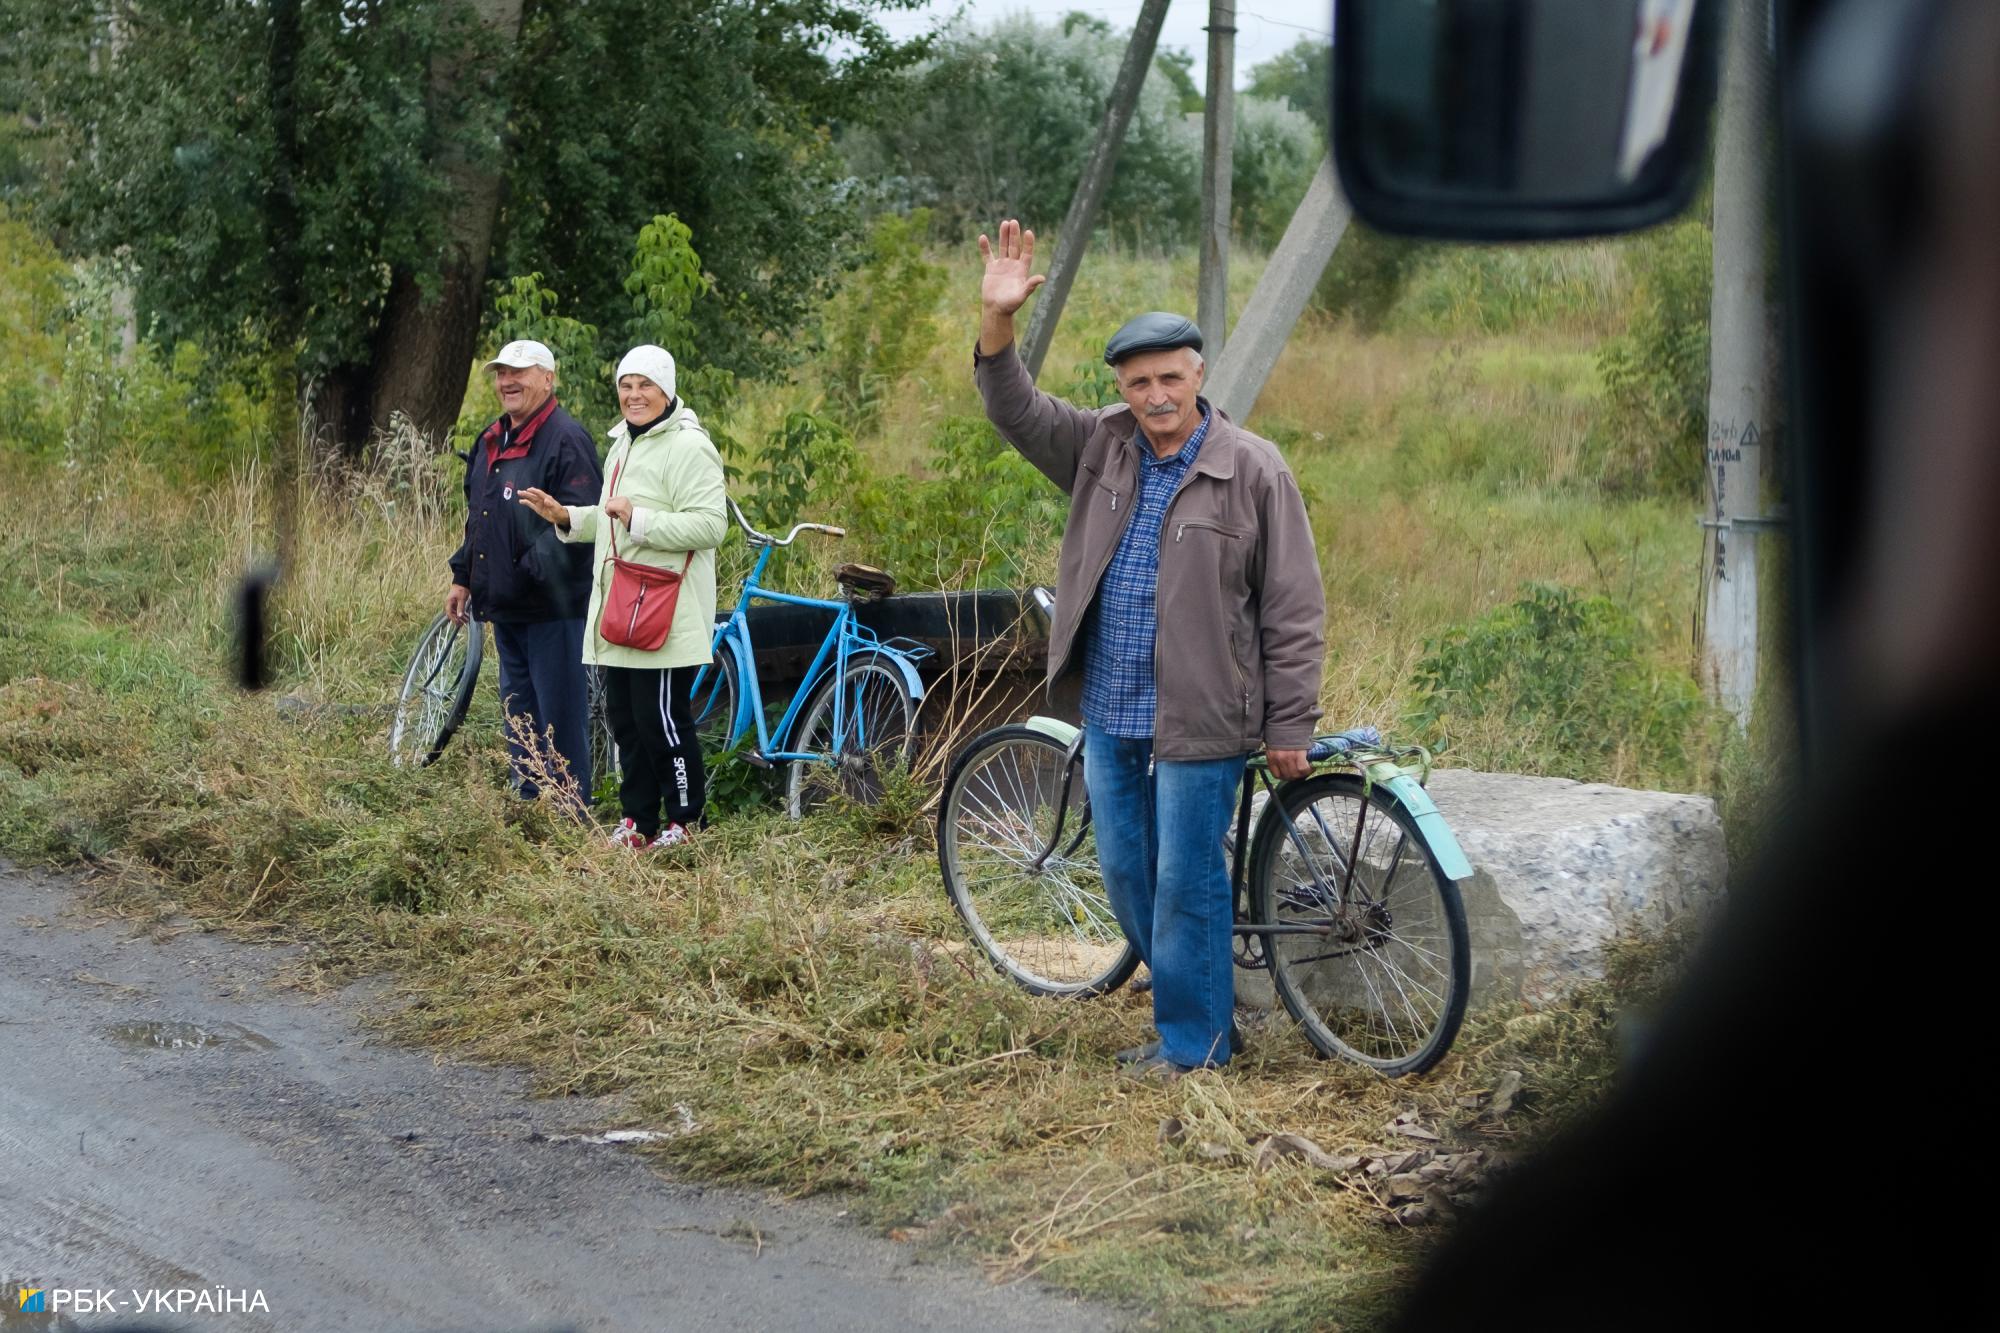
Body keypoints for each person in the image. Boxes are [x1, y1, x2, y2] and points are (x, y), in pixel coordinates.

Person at [973, 220, 1328, 1078]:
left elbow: (1292, 604)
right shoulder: (1102, 446)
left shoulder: (1254, 469)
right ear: (1123, 389)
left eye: (1172, 377)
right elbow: (1015, 410)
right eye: (1140, 382)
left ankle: (1196, 1046)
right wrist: (998, 322)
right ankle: (1200, 1007)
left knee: (1187, 884)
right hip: (1112, 705)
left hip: (1204, 717)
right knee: (1130, 871)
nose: (1157, 394)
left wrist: (1292, 720)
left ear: (1200, 375)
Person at [518, 345, 727, 849]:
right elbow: (611, 518)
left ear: (667, 389)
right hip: (621, 610)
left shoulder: (689, 446)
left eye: (645, 386)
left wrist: (641, 519)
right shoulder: (622, 444)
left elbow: (710, 525)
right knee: (626, 723)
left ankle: (685, 822)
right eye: (626, 386)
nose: (634, 396)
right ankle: (638, 822)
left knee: (662, 722)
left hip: (664, 611)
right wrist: (566, 516)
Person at [446, 339, 603, 808]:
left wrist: (520, 574)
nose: (507, 382)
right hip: (508, 609)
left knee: (560, 715)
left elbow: (581, 524)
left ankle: (571, 812)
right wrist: (463, 575)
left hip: (553, 610)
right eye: (500, 374)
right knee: (520, 715)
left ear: (548, 378)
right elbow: (481, 516)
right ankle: (530, 803)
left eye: (519, 372)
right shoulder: (493, 437)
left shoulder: (566, 439)